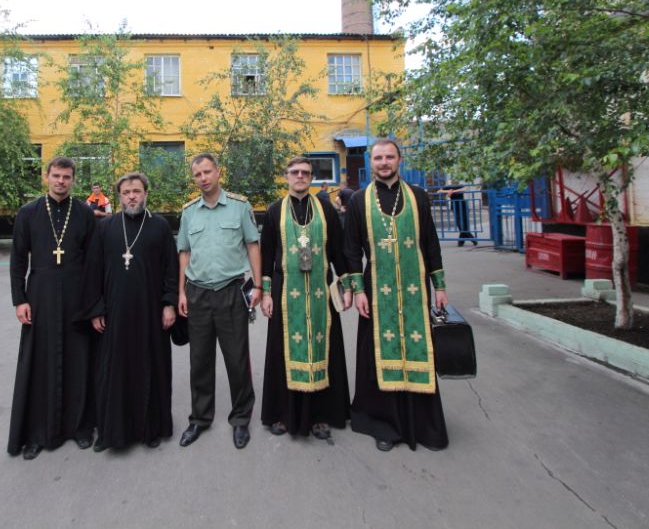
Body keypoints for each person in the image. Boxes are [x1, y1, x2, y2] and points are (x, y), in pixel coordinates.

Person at [342, 138, 451, 452]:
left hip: (416, 290)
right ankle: (383, 424)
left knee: (418, 351)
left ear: (399, 160)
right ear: (371, 162)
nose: (384, 162)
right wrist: (358, 291)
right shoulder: (359, 200)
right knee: (379, 354)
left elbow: (430, 242)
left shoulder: (418, 196)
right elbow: (351, 250)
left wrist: (440, 286)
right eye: (378, 158)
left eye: (389, 157)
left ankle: (423, 425)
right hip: (376, 290)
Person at [7, 156, 102, 460]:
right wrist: (19, 299)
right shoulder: (28, 213)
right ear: (46, 177)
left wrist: (95, 305)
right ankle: (37, 433)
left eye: (67, 177)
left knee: (79, 361)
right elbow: (18, 259)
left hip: (77, 296)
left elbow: (94, 262)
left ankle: (81, 427)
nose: (61, 181)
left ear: (73, 180)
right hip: (41, 295)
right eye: (56, 176)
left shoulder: (84, 213)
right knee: (39, 363)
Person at [259, 156, 352, 440]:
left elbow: (338, 250)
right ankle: (285, 414)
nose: (300, 176)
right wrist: (265, 294)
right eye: (295, 172)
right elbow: (266, 254)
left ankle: (320, 416)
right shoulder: (274, 210)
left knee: (324, 351)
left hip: (321, 293)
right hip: (285, 293)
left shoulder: (325, 209)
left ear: (311, 178)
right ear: (286, 176)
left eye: (305, 173)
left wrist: (348, 286)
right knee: (283, 353)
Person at [177, 153, 261, 449]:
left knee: (237, 360)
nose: (203, 178)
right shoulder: (189, 212)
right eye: (197, 174)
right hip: (197, 293)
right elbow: (184, 252)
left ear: (218, 172)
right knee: (199, 361)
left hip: (231, 292)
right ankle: (200, 419)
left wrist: (258, 285)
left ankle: (240, 419)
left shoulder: (239, 206)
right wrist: (181, 292)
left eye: (207, 172)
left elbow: (252, 245)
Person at [90, 172, 178, 452]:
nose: (131, 196)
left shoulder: (159, 226)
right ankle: (112, 432)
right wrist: (96, 308)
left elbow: (171, 268)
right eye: (126, 192)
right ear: (119, 196)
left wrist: (169, 303)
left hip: (151, 313)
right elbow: (93, 270)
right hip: (114, 313)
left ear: (145, 194)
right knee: (113, 371)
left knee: (152, 368)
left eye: (136, 191)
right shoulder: (105, 227)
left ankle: (151, 429)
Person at [437, 182, 478, 247]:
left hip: (462, 205)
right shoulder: (448, 186)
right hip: (455, 205)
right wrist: (448, 191)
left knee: (464, 222)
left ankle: (462, 241)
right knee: (459, 223)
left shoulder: (459, 185)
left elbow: (464, 189)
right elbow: (439, 191)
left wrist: (453, 191)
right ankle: (470, 239)